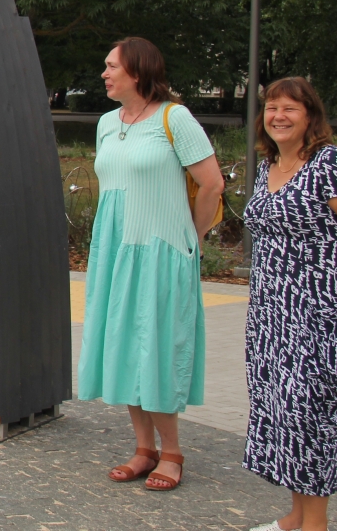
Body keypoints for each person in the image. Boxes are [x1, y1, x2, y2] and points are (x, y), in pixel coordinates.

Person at [242, 78, 337, 531]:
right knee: (282, 412)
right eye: (272, 107)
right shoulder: (269, 164)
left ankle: (316, 525)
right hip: (271, 316)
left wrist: (336, 277)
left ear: (311, 116)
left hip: (319, 318)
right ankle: (295, 516)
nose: (279, 115)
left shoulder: (332, 164)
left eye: (290, 107)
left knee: (313, 417)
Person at [78, 37, 224, 492]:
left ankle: (173, 452)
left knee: (157, 347)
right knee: (122, 344)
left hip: (160, 250)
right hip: (115, 251)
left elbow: (213, 184)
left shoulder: (173, 117)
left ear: (137, 72)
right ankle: (144, 449)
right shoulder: (106, 122)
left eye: (111, 66)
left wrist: (191, 239)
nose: (104, 73)